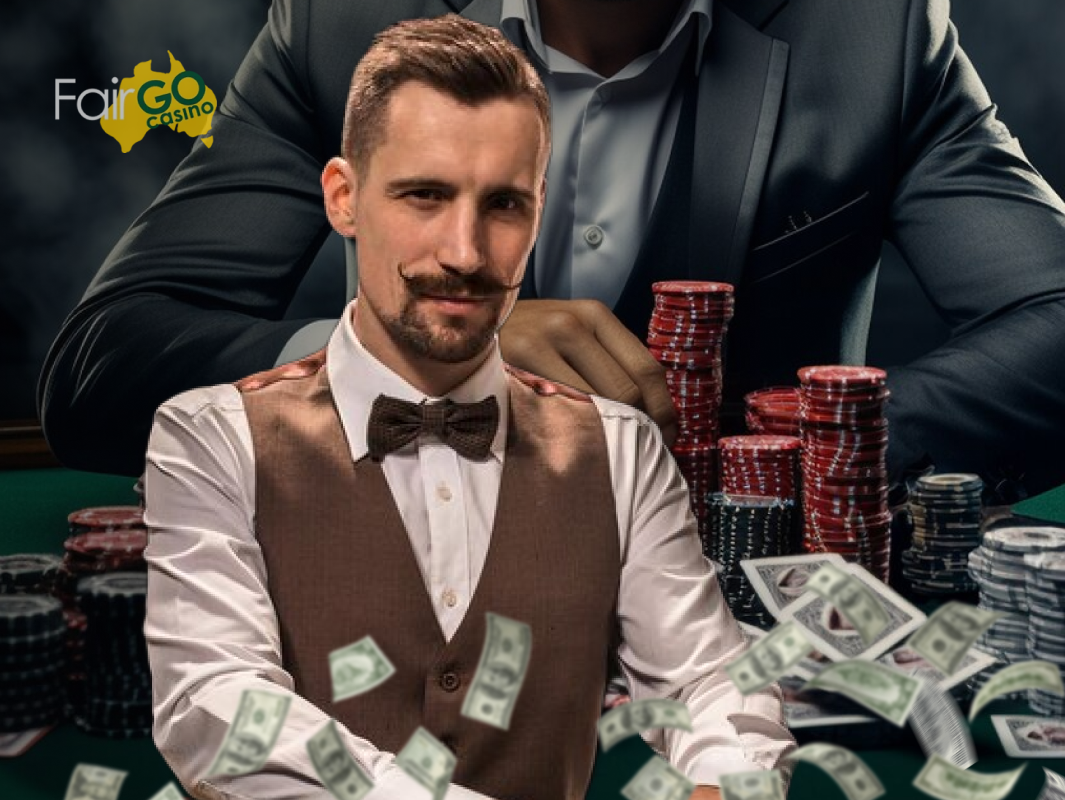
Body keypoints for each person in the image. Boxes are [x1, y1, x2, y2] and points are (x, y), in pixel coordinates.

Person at [41, 0, 1065, 497]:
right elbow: (105, 365)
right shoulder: (343, 20)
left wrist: (783, 444)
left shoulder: (870, 30)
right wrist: (395, 359)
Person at [142, 17, 794, 800]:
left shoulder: (620, 448)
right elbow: (218, 708)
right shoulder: (209, 436)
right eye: (425, 195)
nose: (464, 251)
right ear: (344, 199)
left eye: (504, 205)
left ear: (540, 210)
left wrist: (727, 777)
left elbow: (711, 684)